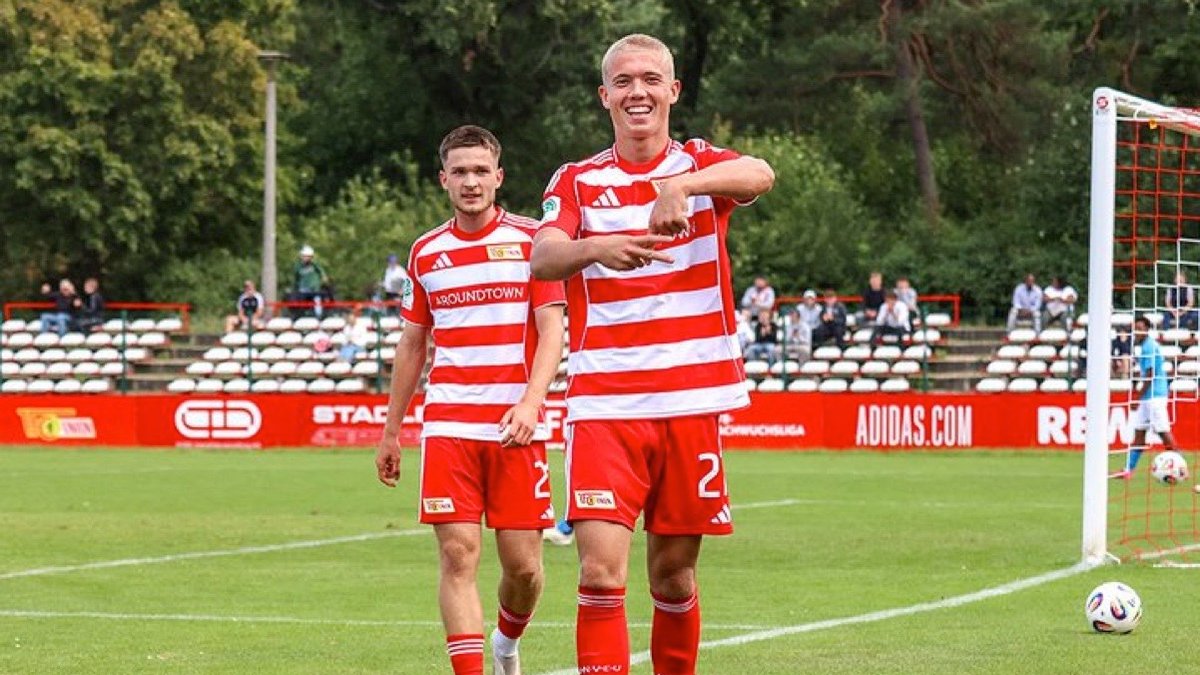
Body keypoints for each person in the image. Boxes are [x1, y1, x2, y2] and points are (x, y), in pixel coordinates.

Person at [530, 33, 774, 675]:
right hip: (605, 403)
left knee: (673, 577)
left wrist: (682, 187)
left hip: (691, 400)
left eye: (650, 79)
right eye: (623, 81)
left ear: (673, 91)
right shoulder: (577, 179)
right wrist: (595, 248)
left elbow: (761, 173)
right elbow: (543, 256)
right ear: (604, 95)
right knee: (600, 574)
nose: (637, 92)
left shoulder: (702, 163)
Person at [374, 125, 565, 675]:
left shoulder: (534, 242)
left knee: (524, 569)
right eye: (459, 171)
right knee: (458, 555)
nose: (471, 181)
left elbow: (551, 330)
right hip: (449, 425)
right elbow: (413, 342)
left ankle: (506, 641)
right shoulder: (425, 251)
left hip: (515, 427)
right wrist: (391, 431)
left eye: (481, 171)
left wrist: (531, 404)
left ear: (499, 177)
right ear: (443, 180)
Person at [1111, 315, 1181, 479]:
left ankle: (1182, 467)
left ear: (1147, 330)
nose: (1137, 332)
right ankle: (1128, 470)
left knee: (1163, 433)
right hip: (1148, 397)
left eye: (1140, 329)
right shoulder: (1144, 346)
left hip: (1155, 396)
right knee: (1139, 434)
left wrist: (1137, 396)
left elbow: (1150, 374)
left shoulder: (1149, 346)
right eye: (1135, 329)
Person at [292, 245, 329, 318]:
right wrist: (295, 286)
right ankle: (300, 315)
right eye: (304, 256)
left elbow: (321, 272)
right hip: (303, 288)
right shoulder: (298, 266)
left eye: (308, 256)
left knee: (317, 300)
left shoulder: (314, 264)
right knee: (301, 300)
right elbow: (296, 278)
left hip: (314, 288)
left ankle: (319, 316)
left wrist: (324, 278)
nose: (306, 258)